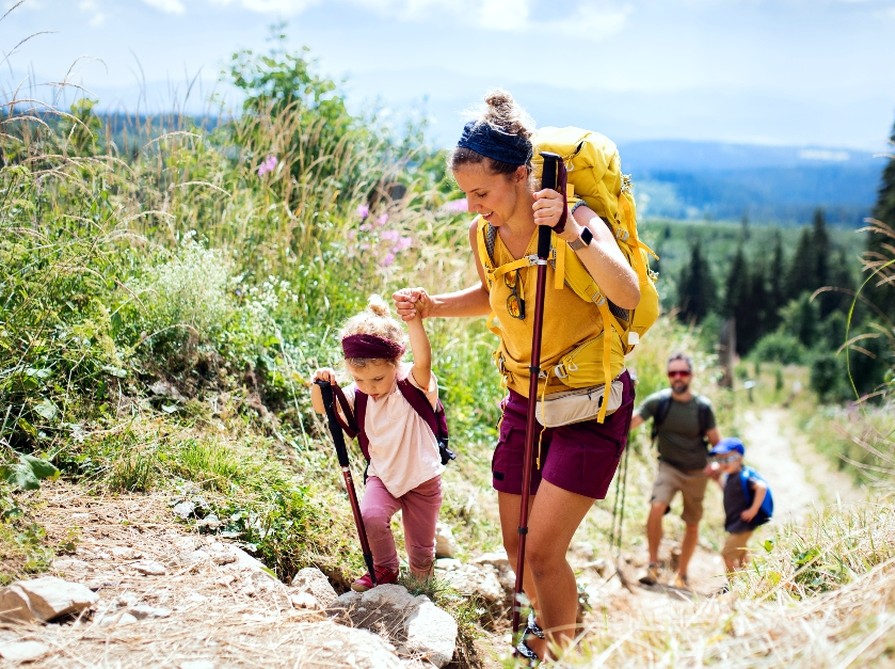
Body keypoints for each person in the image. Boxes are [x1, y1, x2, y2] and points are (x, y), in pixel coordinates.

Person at [393, 89, 640, 663]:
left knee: (545, 553)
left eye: (482, 192)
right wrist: (433, 306)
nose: (474, 205)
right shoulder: (485, 233)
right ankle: (557, 628)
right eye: (466, 195)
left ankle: (560, 653)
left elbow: (625, 289)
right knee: (518, 548)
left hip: (589, 405)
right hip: (525, 399)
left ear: (522, 175)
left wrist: (574, 235)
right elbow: (494, 294)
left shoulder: (575, 218)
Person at [309, 295, 443, 591]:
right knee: (370, 515)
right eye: (359, 380)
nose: (370, 388)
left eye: (378, 379)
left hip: (422, 478)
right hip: (383, 474)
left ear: (396, 362)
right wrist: (319, 384)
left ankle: (422, 584)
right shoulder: (359, 395)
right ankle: (385, 570)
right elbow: (323, 407)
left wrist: (413, 320)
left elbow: (424, 359)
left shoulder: (412, 383)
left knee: (421, 549)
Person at [628, 353, 721, 589]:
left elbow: (716, 443)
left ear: (691, 375)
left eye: (683, 373)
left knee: (692, 523)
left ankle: (682, 574)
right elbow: (632, 421)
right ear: (668, 376)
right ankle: (652, 565)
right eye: (673, 373)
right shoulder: (658, 402)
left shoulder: (702, 408)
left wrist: (720, 467)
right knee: (656, 506)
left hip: (697, 472)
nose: (678, 377)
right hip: (668, 467)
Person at [706, 437, 772, 573]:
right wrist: (717, 480)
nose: (723, 464)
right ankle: (747, 579)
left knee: (727, 554)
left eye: (727, 459)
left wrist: (753, 510)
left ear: (740, 458)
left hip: (744, 523)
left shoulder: (744, 476)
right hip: (736, 522)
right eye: (720, 460)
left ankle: (733, 584)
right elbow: (728, 493)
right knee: (742, 553)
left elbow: (761, 487)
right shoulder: (730, 477)